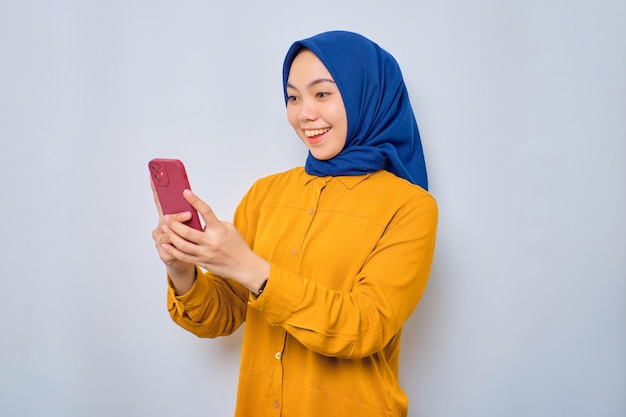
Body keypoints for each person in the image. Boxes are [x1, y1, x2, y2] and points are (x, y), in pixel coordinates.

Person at [151, 30, 438, 417]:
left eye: (322, 94)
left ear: (367, 94)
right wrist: (183, 269)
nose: (304, 113)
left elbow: (364, 326)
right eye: (293, 96)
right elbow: (222, 317)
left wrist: (249, 267)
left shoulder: (410, 206)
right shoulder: (264, 195)